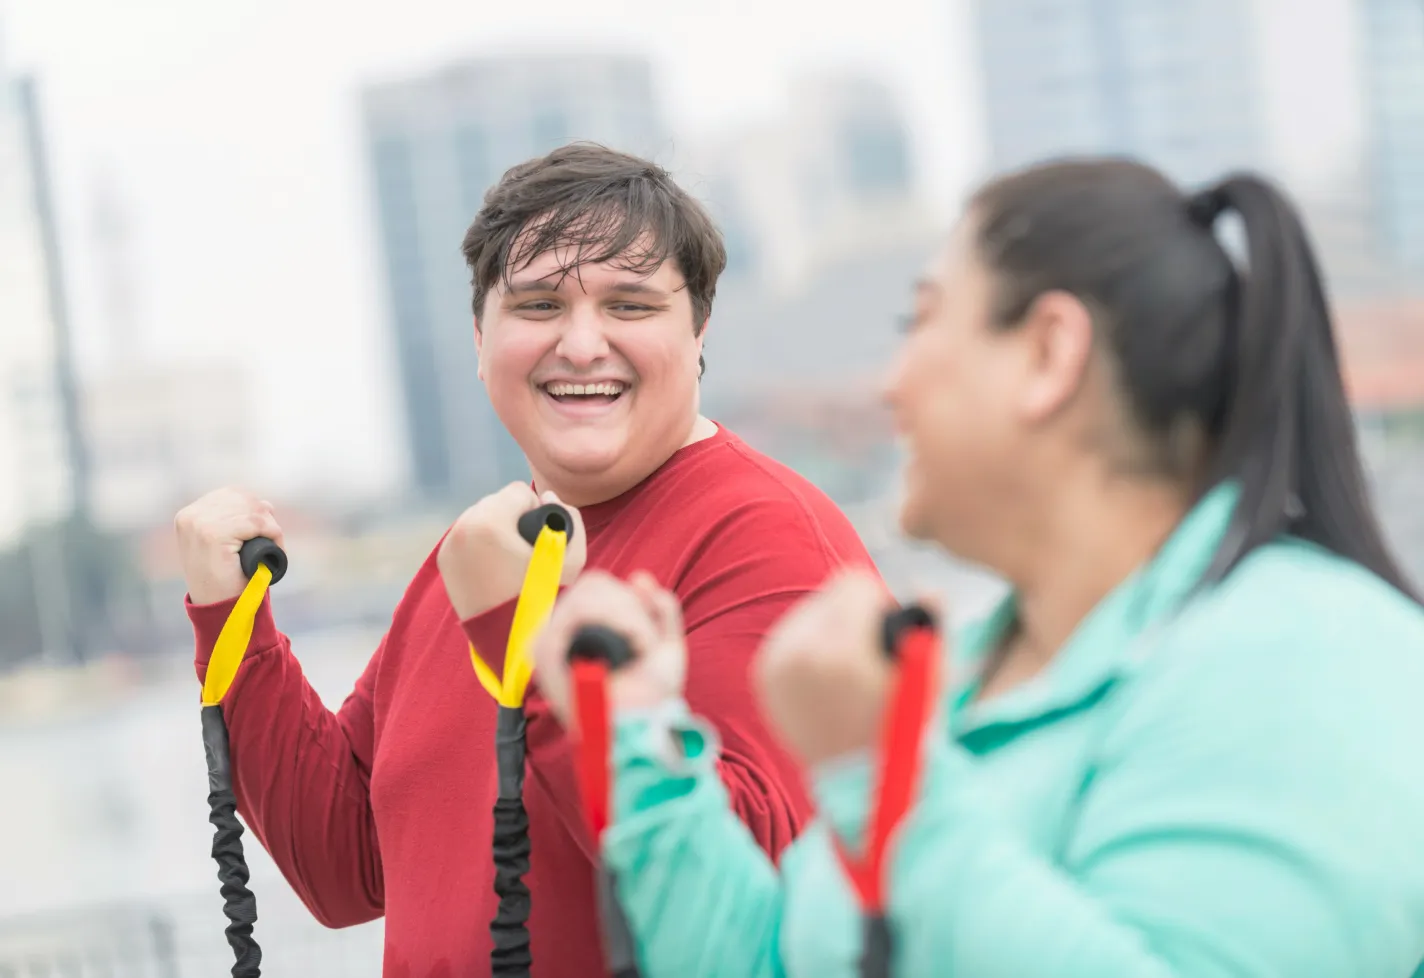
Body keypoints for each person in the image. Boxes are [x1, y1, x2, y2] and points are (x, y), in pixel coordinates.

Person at [526, 158, 1424, 977]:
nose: (891, 384)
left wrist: (883, 778)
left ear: (1048, 354)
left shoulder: (1302, 658)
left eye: (921, 323)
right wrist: (641, 736)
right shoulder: (960, 679)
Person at [173, 143, 878, 978]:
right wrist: (234, 625)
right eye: (539, 305)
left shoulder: (764, 534)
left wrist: (525, 633)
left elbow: (752, 888)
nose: (582, 346)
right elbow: (345, 865)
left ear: (698, 332)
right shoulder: (479, 553)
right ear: (480, 337)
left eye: (631, 304)